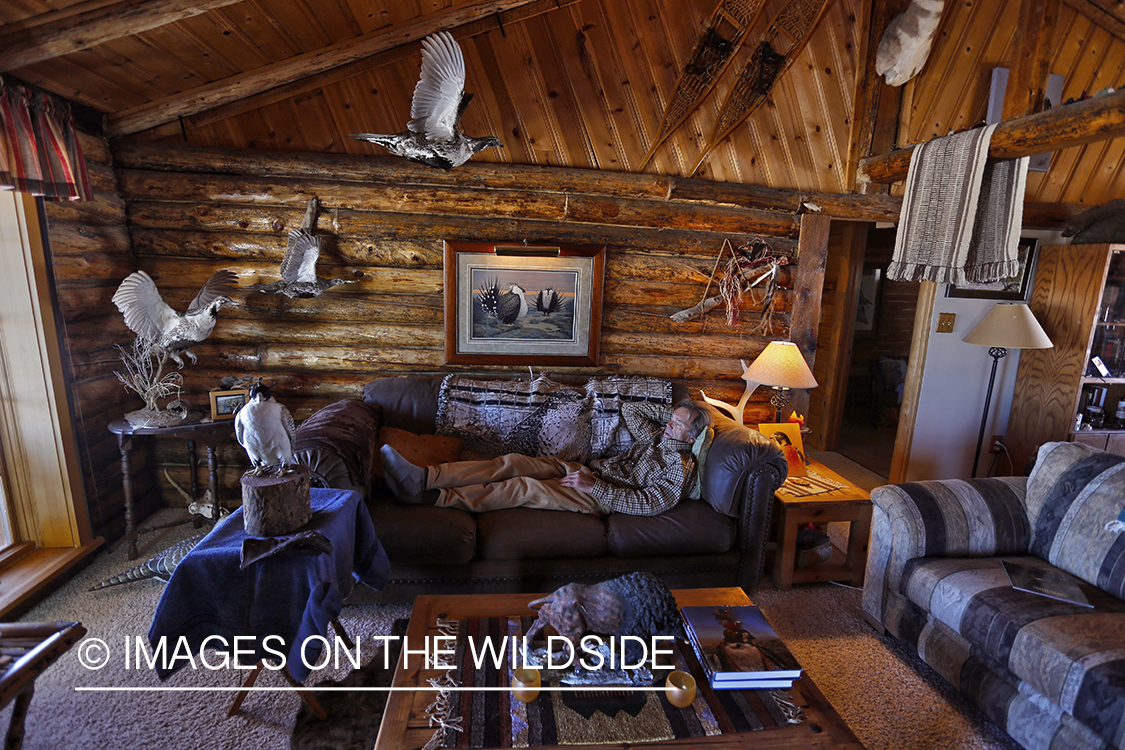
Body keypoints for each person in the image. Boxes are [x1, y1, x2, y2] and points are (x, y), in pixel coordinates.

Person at [380, 399, 711, 516]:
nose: (668, 425)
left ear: (692, 438)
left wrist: (594, 488)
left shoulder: (679, 467)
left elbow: (649, 504)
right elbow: (632, 410)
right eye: (670, 419)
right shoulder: (658, 437)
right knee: (514, 462)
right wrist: (676, 414)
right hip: (587, 471)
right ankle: (425, 477)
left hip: (601, 496)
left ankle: (433, 499)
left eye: (677, 424)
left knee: (524, 486)